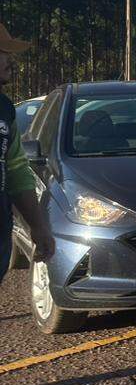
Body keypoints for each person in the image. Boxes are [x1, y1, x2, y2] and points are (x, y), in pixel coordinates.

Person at [0, 23, 56, 285]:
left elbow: (16, 171)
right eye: (4, 52)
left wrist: (39, 226)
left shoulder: (5, 109)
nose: (11, 60)